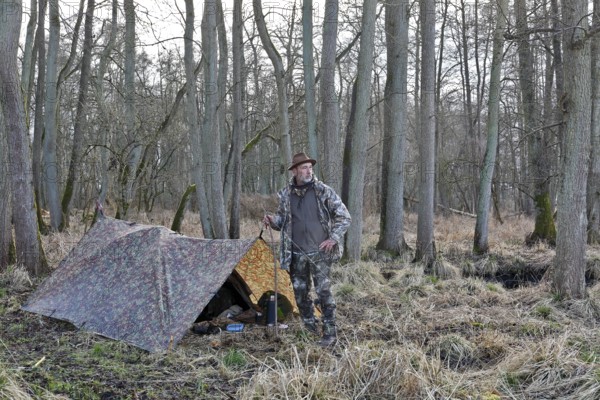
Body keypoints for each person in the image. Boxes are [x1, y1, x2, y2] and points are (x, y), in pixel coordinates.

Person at [263, 152, 351, 347]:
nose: (308, 170)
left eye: (310, 167)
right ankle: (310, 329)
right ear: (294, 171)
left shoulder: (322, 191)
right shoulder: (286, 194)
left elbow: (344, 216)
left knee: (324, 293)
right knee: (301, 295)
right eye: (304, 168)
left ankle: (329, 334)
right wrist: (272, 220)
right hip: (295, 254)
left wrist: (333, 238)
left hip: (320, 253)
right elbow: (282, 221)